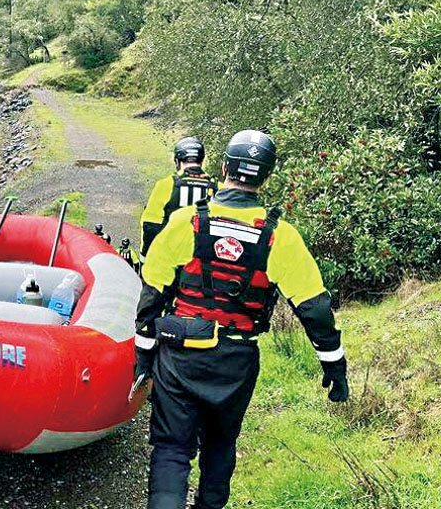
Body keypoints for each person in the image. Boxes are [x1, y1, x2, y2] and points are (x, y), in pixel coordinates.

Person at [133, 129, 349, 509]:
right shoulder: (280, 236)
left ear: (224, 169)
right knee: (220, 446)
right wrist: (334, 365)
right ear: (266, 178)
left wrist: (143, 358)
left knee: (171, 449)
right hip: (235, 362)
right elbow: (314, 308)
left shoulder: (185, 222)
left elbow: (151, 299)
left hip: (180, 356)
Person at [140, 136, 217, 255]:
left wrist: (144, 259)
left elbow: (150, 226)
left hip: (172, 255)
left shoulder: (166, 185)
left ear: (177, 161)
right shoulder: (217, 187)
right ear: (201, 161)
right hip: (204, 257)